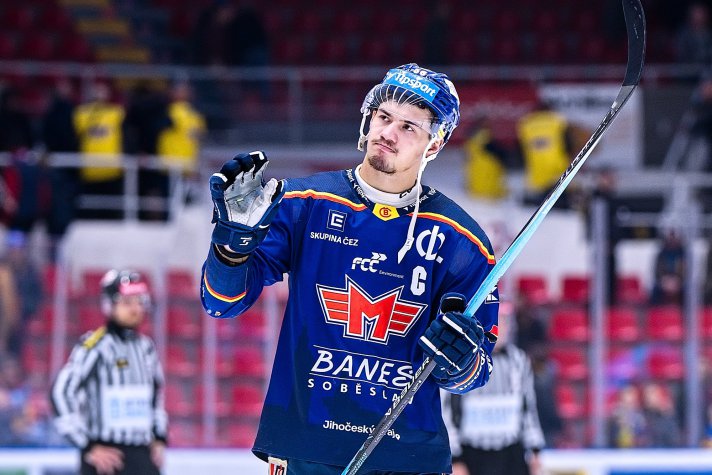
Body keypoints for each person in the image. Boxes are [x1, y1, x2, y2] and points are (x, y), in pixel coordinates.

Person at [201, 63, 499, 474]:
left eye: (408, 127)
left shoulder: (462, 240)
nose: (388, 133)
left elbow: (474, 374)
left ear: (434, 144)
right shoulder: (304, 203)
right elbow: (221, 303)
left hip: (409, 457)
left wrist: (461, 359)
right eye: (383, 117)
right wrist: (231, 247)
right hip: (307, 447)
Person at [50, 269, 168, 475]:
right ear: (109, 305)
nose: (136, 308)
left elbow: (156, 396)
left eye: (139, 301)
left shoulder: (146, 348)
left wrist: (159, 437)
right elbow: (61, 392)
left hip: (142, 454)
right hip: (105, 459)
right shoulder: (95, 345)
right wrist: (86, 444)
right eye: (127, 302)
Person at [443, 302, 545, 475]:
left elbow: (528, 407)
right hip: (472, 454)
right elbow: (448, 411)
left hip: (511, 453)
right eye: (496, 321)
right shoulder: (463, 359)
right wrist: (455, 457)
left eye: (504, 321)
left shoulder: (519, 360)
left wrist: (535, 448)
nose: (501, 327)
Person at [73, 81, 125, 219]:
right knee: (89, 209)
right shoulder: (81, 113)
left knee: (111, 209)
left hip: (111, 169)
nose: (100, 94)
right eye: (97, 90)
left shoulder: (116, 113)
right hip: (89, 169)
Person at [516, 99, 574, 208]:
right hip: (557, 171)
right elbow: (568, 144)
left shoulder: (526, 124)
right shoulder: (557, 121)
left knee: (538, 206)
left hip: (536, 174)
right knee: (560, 205)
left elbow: (520, 149)